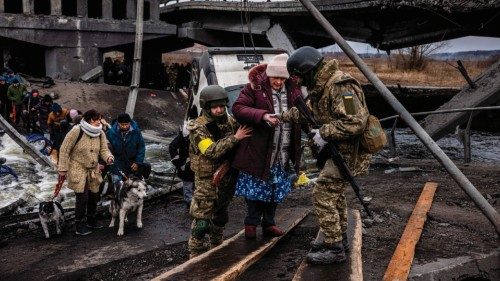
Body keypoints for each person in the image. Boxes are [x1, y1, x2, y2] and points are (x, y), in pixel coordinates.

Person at [287, 46, 372, 264]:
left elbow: (355, 122)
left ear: (308, 70)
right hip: (337, 152)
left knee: (322, 193)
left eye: (298, 77)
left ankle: (333, 248)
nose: (298, 82)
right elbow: (307, 111)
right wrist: (279, 117)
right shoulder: (320, 87)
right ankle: (340, 238)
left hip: (349, 154)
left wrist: (324, 133)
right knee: (335, 195)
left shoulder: (340, 86)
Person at [232, 53, 304, 239]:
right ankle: (251, 224)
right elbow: (238, 108)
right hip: (258, 151)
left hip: (282, 152)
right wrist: (262, 116)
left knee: (275, 189)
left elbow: (304, 113)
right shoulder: (254, 88)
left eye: (282, 78)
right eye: (275, 77)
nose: (278, 82)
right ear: (269, 75)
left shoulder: (294, 90)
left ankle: (269, 223)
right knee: (256, 189)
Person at [187, 85, 252, 258]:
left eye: (222, 106)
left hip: (227, 176)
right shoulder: (198, 128)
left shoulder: (230, 122)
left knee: (221, 215)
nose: (219, 110)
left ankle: (217, 246)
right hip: (207, 179)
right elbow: (210, 151)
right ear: (207, 107)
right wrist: (235, 138)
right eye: (215, 107)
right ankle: (195, 252)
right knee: (202, 219)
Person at [58, 109, 114, 235]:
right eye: (96, 120)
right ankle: (79, 225)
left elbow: (104, 150)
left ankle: (91, 220)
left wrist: (109, 158)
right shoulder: (76, 130)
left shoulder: (100, 133)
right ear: (89, 120)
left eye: (100, 119)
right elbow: (64, 150)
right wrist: (62, 168)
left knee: (94, 196)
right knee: (82, 198)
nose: (99, 122)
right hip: (78, 168)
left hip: (93, 170)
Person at [106, 113, 146, 183]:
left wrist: (138, 162)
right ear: (118, 123)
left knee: (133, 183)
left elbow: (141, 148)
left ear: (130, 123)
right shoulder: (111, 133)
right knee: (117, 182)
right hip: (116, 163)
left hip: (132, 162)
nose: (124, 127)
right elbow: (106, 148)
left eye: (126, 124)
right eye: (122, 124)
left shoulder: (136, 132)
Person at [169, 123, 195, 209]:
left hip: (198, 164)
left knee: (196, 184)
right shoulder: (182, 136)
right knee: (188, 184)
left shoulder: (200, 133)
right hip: (185, 165)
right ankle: (189, 203)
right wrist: (176, 159)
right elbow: (172, 146)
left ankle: (195, 202)